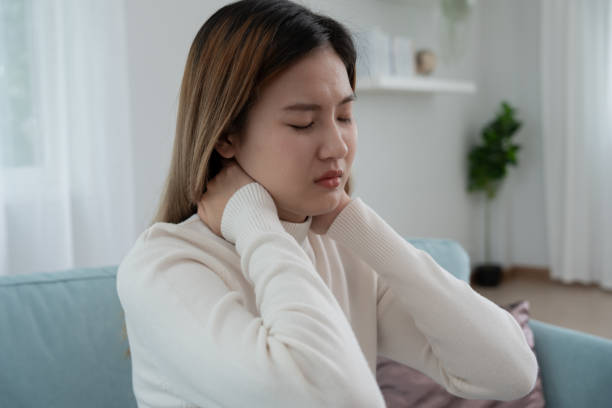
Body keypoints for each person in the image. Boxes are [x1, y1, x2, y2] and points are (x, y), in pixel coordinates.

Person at [116, 1, 539, 407]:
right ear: (226, 136)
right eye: (303, 122)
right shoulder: (161, 269)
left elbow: (511, 371)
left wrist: (357, 223)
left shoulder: (344, 252)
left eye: (344, 116)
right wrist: (255, 224)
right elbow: (336, 400)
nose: (337, 146)